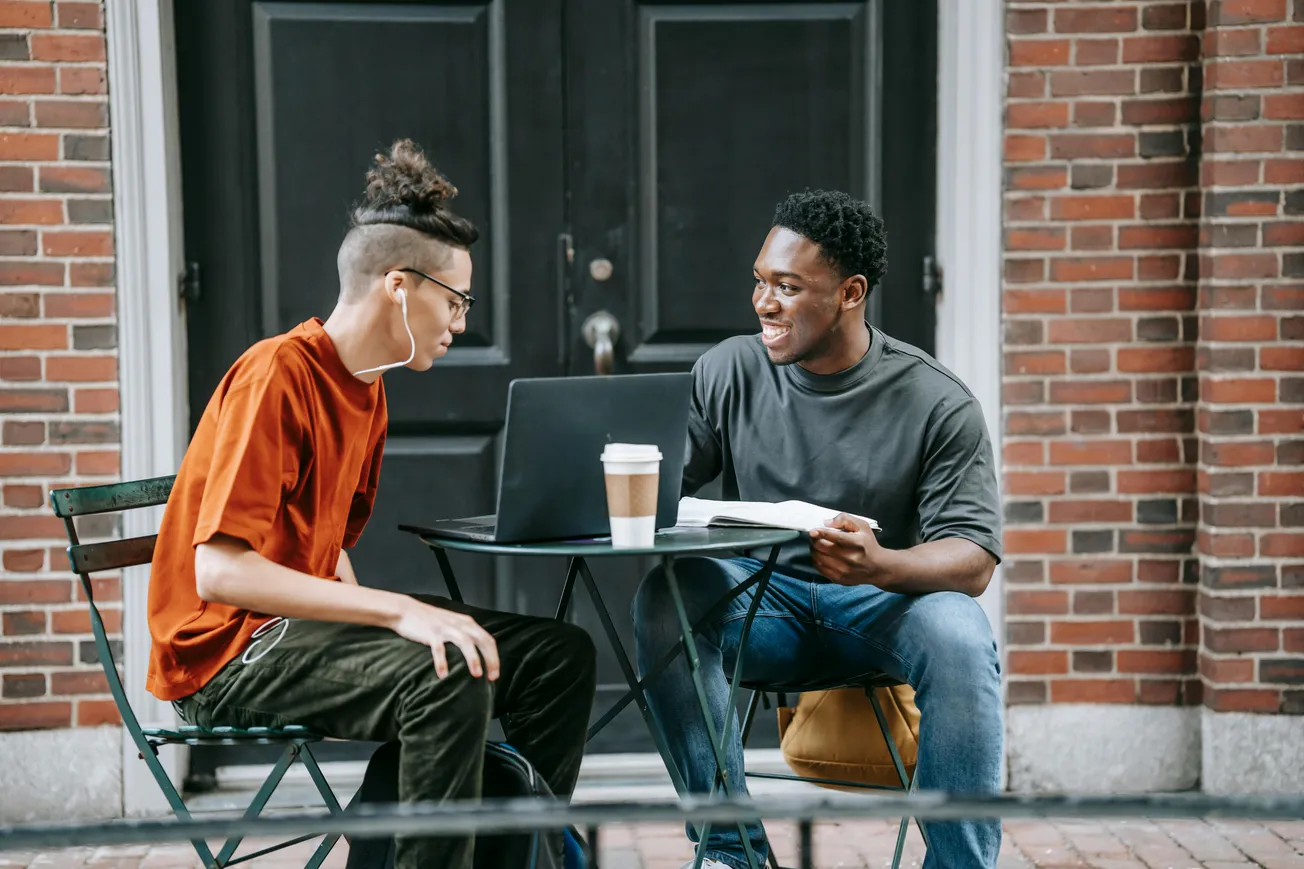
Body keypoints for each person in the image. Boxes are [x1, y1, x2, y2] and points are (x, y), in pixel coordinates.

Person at [145, 139, 597, 869]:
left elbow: (327, 545)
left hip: (299, 629)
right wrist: (397, 615)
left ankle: (510, 856)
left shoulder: (370, 386)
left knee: (557, 657)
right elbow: (220, 573)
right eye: (454, 300)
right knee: (442, 671)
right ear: (398, 285)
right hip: (226, 652)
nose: (460, 320)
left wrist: (384, 631)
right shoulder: (277, 375)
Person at [632, 190, 1003, 869]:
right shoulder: (729, 370)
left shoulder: (937, 400)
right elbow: (662, 484)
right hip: (761, 605)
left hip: (882, 609)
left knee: (960, 632)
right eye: (760, 281)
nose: (763, 302)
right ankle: (731, 851)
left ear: (850, 292)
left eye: (787, 286)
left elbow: (972, 558)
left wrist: (879, 564)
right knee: (667, 596)